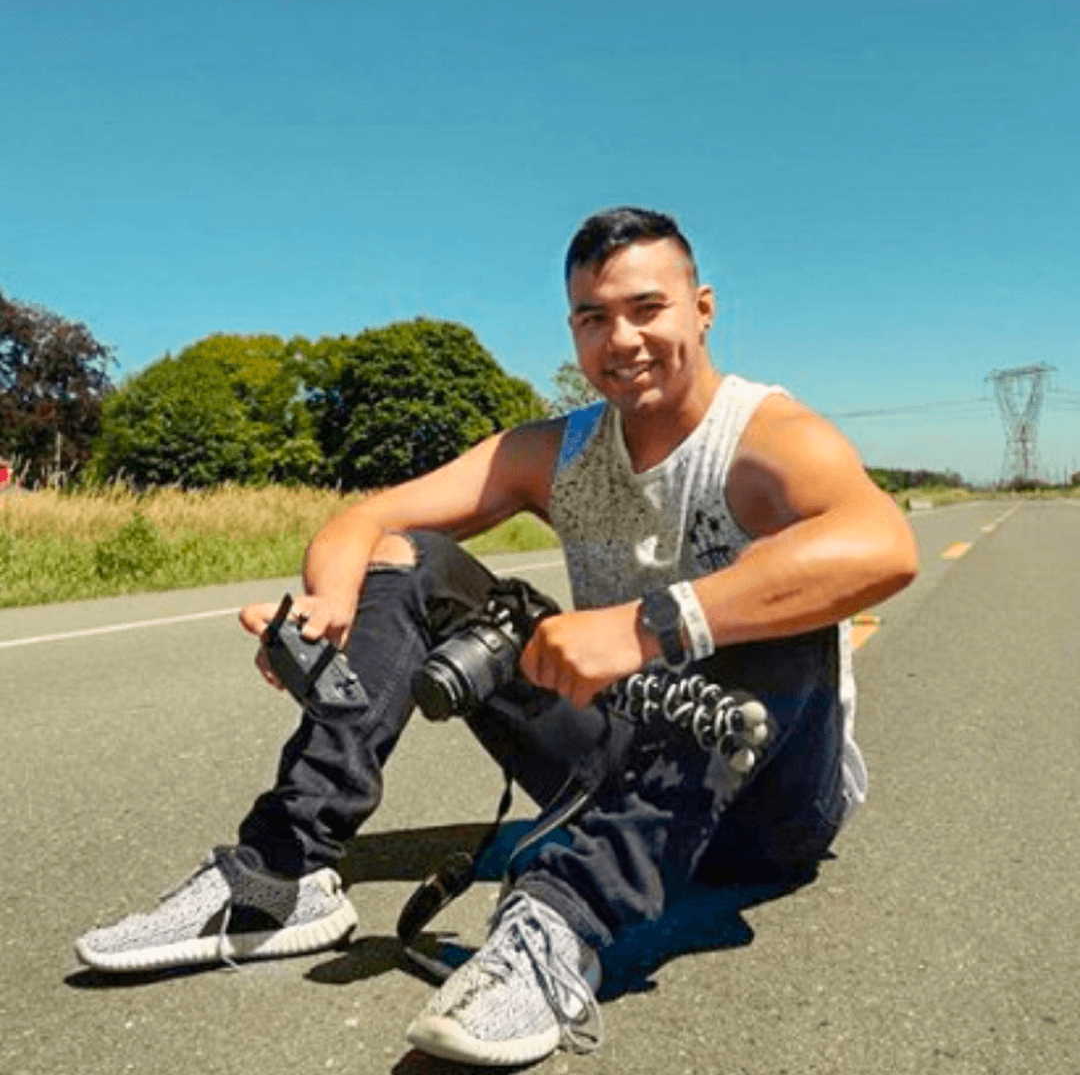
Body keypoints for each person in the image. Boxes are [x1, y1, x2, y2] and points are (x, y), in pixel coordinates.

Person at [75, 207, 918, 1066]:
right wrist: (329, 603)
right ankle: (280, 870)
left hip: (767, 807)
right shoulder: (557, 451)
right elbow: (368, 520)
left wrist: (649, 625)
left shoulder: (766, 437)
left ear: (702, 310)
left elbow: (884, 546)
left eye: (647, 309)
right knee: (411, 560)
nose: (622, 339)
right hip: (611, 755)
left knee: (772, 598)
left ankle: (559, 925)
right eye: (593, 318)